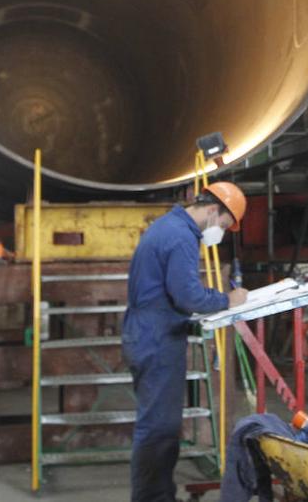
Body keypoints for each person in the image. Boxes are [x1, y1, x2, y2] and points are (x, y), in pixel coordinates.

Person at [122, 182, 250, 502]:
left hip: (148, 332)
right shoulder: (181, 237)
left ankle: (159, 495)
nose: (221, 232)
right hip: (157, 337)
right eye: (224, 225)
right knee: (159, 428)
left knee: (160, 425)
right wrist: (228, 299)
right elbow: (188, 295)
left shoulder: (169, 226)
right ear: (212, 210)